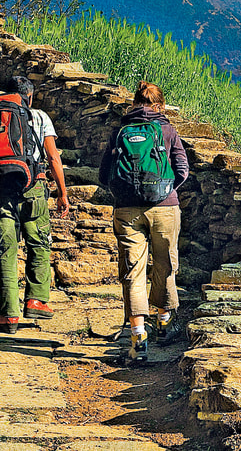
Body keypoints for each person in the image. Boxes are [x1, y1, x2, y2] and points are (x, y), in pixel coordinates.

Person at [99, 81, 189, 364]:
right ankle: (164, 323)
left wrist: (124, 194)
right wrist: (165, 192)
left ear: (134, 102)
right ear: (159, 105)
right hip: (164, 208)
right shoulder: (168, 130)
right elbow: (182, 169)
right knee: (165, 264)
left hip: (127, 210)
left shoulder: (120, 131)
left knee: (133, 271)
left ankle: (138, 338)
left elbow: (104, 174)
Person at [0, 76, 70, 334]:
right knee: (38, 242)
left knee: (6, 248)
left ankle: (8, 314)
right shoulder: (39, 116)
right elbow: (53, 156)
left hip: (1, 186)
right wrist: (62, 193)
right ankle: (36, 300)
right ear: (30, 97)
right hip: (33, 186)